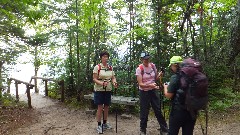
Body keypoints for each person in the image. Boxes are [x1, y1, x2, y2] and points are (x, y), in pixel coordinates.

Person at [136, 52, 168, 135]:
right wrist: (150, 85)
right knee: (144, 111)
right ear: (142, 59)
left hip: (153, 91)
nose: (146, 60)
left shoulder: (153, 66)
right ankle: (142, 130)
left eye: (148, 58)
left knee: (157, 110)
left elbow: (155, 78)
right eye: (145, 59)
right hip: (144, 92)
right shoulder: (139, 69)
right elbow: (141, 84)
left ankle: (164, 129)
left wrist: (160, 74)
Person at [163, 56, 196, 135]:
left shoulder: (175, 77)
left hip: (178, 111)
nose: (171, 68)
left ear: (175, 65)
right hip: (192, 111)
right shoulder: (192, 75)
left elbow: (168, 95)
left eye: (171, 66)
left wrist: (165, 87)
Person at [93, 51, 118, 134]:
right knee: (100, 107)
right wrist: (102, 83)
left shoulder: (110, 67)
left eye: (107, 56)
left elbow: (113, 77)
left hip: (108, 89)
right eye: (104, 56)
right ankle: (99, 125)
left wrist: (114, 82)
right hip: (99, 90)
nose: (106, 58)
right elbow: (94, 79)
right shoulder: (97, 67)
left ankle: (105, 123)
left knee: (107, 106)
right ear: (101, 58)